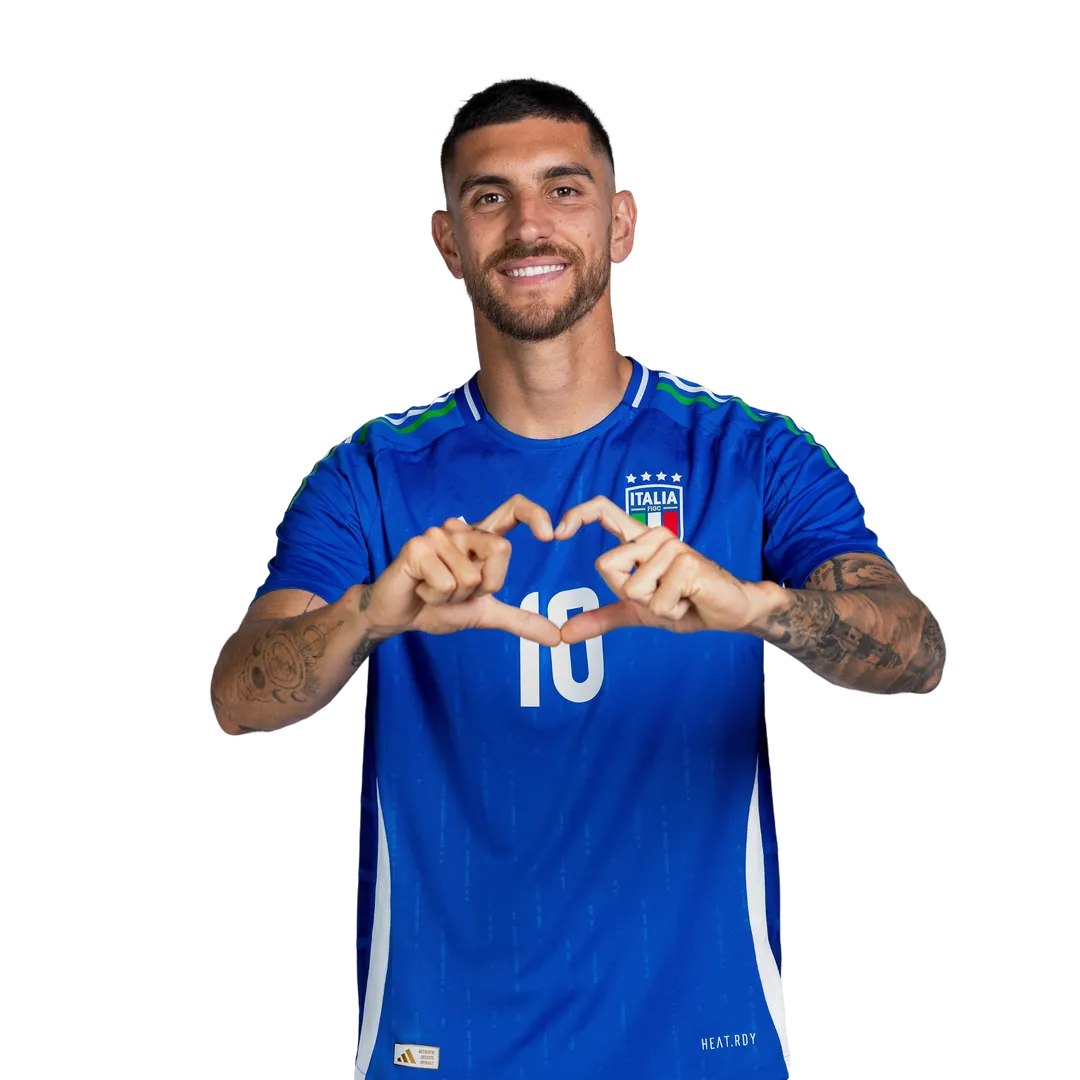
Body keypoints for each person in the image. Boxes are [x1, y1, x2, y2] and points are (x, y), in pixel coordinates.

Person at [210, 76, 947, 1080]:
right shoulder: (371, 472)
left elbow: (919, 654)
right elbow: (239, 696)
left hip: (701, 1048)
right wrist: (369, 614)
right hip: (445, 1049)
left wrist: (756, 606)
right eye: (490, 197)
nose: (528, 225)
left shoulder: (752, 451)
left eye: (564, 189)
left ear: (623, 222)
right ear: (445, 241)